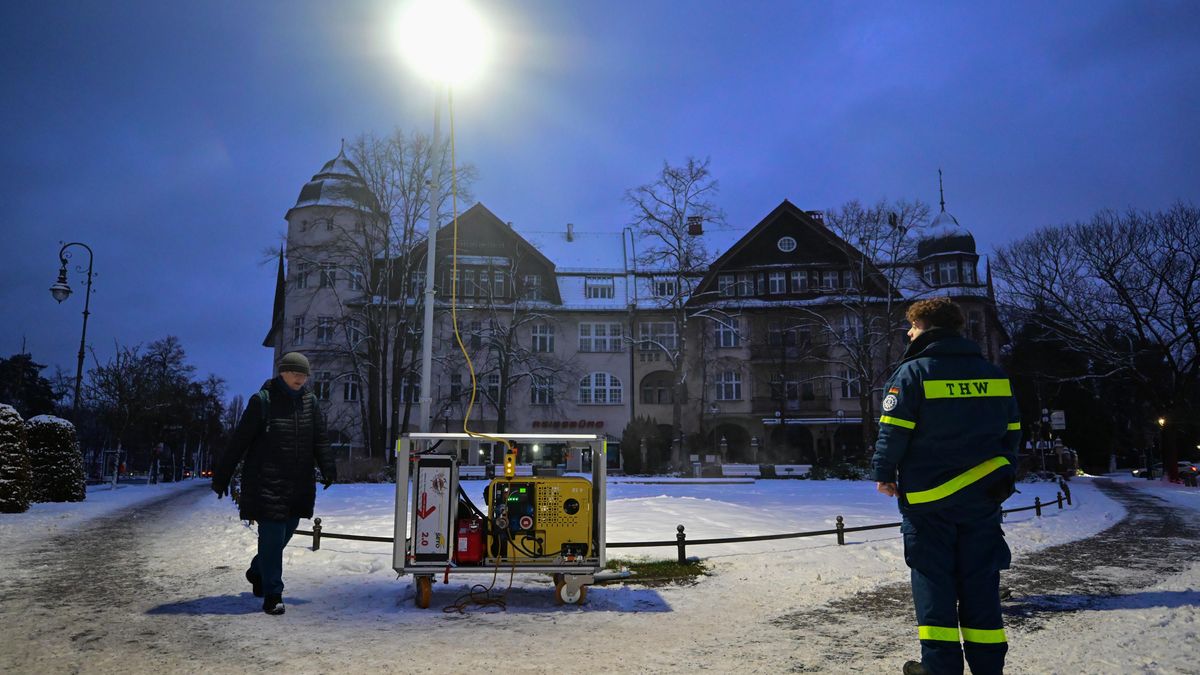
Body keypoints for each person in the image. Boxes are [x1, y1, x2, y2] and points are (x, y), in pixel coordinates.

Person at [871, 298, 1020, 675]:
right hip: (984, 498)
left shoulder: (912, 374)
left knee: (934, 582)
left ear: (926, 328)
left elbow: (893, 432)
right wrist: (1003, 475)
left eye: (913, 326)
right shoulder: (994, 374)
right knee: (981, 582)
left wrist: (884, 473)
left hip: (929, 501)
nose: (908, 333)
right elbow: (1013, 433)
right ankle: (989, 668)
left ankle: (939, 668)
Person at [213, 351, 336, 615]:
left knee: (286, 531)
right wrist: (222, 475)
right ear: (282, 372)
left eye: (304, 375)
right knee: (271, 536)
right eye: (295, 373)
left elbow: (320, 439)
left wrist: (328, 467)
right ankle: (273, 593)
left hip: (298, 482)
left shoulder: (309, 402)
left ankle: (257, 569)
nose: (300, 379)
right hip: (266, 480)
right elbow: (239, 441)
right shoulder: (262, 401)